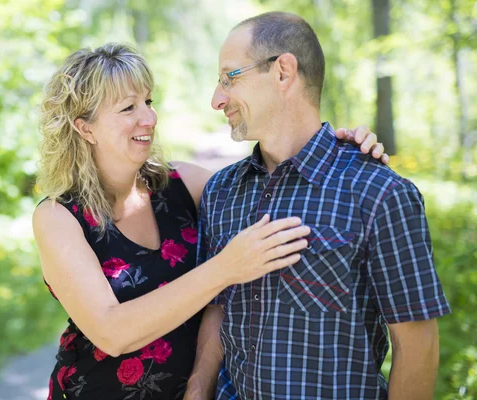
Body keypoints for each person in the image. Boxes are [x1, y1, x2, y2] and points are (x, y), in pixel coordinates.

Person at [32, 43, 388, 400]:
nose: (149, 119)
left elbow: (281, 194)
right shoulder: (58, 218)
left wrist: (342, 153)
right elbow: (112, 333)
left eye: (148, 102)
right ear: (85, 128)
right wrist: (225, 268)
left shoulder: (188, 185)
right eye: (128, 108)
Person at [184, 11, 451, 400]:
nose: (217, 99)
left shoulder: (379, 193)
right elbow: (219, 308)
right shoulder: (222, 191)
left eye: (230, 77)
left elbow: (417, 345)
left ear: (283, 72)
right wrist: (197, 390)